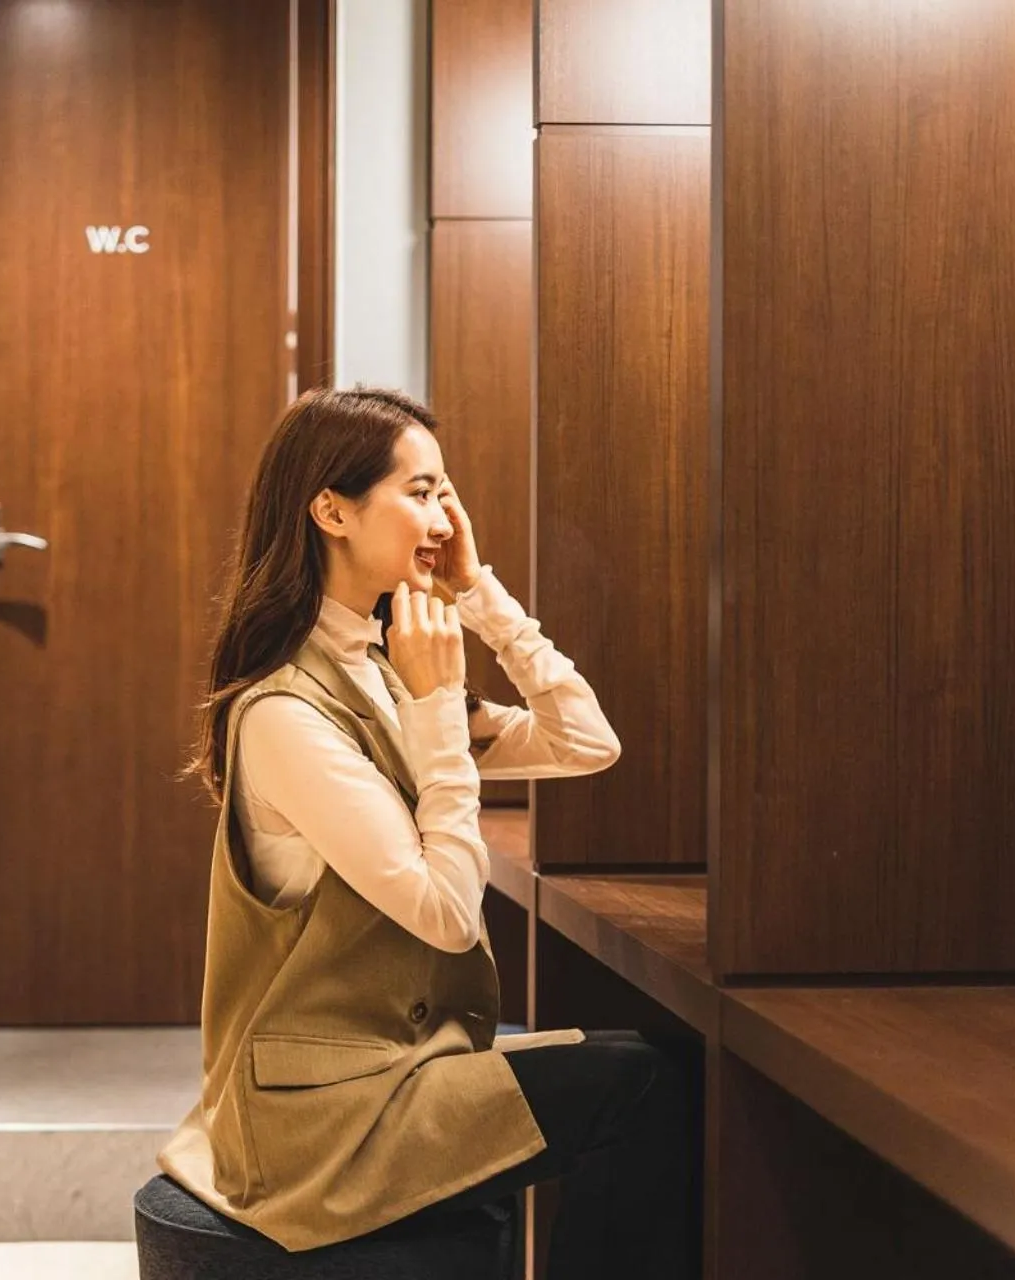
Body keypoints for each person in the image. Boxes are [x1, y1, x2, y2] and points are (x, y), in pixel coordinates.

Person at [159, 386, 694, 1277]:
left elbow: (586, 743)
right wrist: (442, 702)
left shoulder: (378, 663)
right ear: (332, 510)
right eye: (420, 491)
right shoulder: (287, 713)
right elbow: (446, 911)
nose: (443, 516)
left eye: (446, 493)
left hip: (404, 1070)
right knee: (650, 1086)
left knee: (648, 1071)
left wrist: (478, 596)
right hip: (329, 1121)